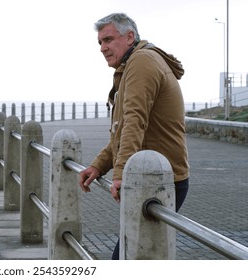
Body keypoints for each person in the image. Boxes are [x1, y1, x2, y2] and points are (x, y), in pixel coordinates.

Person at [78, 13, 190, 259]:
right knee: (135, 256)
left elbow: (134, 121)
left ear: (129, 36)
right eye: (99, 43)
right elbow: (123, 129)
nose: (103, 48)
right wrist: (99, 166)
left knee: (127, 258)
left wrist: (119, 175)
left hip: (158, 180)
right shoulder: (132, 64)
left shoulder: (142, 62)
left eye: (108, 39)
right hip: (152, 176)